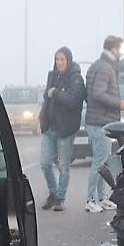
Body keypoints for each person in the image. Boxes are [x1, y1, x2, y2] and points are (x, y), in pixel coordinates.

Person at [83, 35, 124, 213]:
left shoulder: (100, 65)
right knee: (99, 162)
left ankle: (101, 198)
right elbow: (98, 94)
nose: (121, 53)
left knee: (103, 163)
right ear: (114, 49)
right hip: (100, 121)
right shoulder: (105, 68)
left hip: (100, 120)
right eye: (120, 49)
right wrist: (118, 104)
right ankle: (91, 199)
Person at [38, 46, 86, 211]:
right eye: (57, 59)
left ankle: (60, 198)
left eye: (62, 59)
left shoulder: (76, 78)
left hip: (65, 129)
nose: (59, 63)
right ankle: (52, 192)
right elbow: (46, 96)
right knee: (44, 163)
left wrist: (55, 93)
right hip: (49, 127)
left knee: (63, 165)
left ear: (68, 60)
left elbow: (73, 100)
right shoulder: (52, 76)